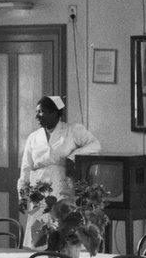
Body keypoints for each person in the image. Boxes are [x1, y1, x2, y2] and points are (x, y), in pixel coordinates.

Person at [17, 96, 101, 248]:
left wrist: (73, 156)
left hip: (62, 187)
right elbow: (26, 168)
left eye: (41, 112)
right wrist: (22, 195)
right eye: (37, 112)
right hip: (39, 190)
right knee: (39, 234)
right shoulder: (33, 137)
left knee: (64, 228)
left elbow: (95, 144)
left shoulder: (72, 130)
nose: (37, 116)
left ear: (54, 113)